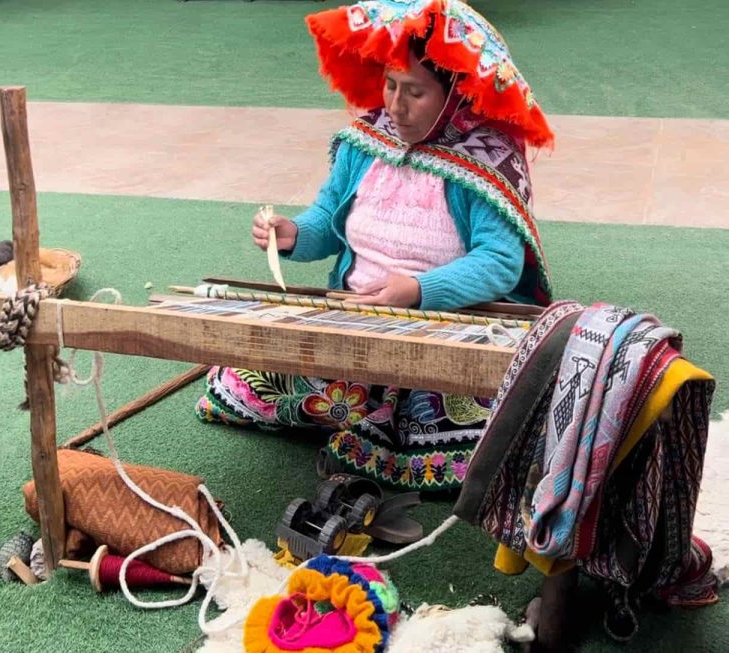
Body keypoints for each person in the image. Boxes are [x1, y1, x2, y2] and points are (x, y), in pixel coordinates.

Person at [196, 0, 554, 492]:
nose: (396, 105)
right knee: (245, 382)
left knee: (471, 415)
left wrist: (419, 290)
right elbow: (329, 219)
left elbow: (500, 264)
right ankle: (369, 412)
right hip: (358, 320)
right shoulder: (364, 143)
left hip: (448, 331)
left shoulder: (487, 160)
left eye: (415, 92)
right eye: (390, 84)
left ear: (454, 93)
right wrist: (293, 234)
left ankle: (384, 421)